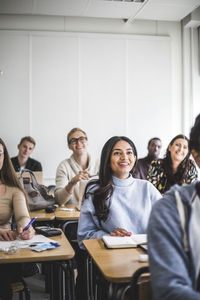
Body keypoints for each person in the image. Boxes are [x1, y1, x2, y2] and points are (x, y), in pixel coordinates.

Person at [147, 115, 200, 300]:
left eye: (184, 146)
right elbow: (153, 192)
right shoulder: (169, 210)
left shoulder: (190, 167)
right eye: (177, 145)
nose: (180, 149)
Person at [77, 135, 161, 250]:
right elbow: (84, 237)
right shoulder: (94, 190)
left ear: (135, 158)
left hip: (147, 255)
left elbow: (168, 223)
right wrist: (110, 237)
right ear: (107, 159)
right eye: (117, 153)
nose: (124, 157)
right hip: (111, 255)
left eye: (129, 153)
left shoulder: (147, 188)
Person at [0, 138, 35, 300]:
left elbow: (22, 216)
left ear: (4, 157)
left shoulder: (13, 189)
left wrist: (26, 228)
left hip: (3, 253)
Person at [55, 128, 99, 206]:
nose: (78, 143)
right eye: (73, 140)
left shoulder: (99, 164)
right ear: (69, 146)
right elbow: (59, 200)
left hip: (95, 212)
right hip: (72, 216)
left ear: (87, 142)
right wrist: (72, 183)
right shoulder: (63, 166)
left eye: (82, 139)